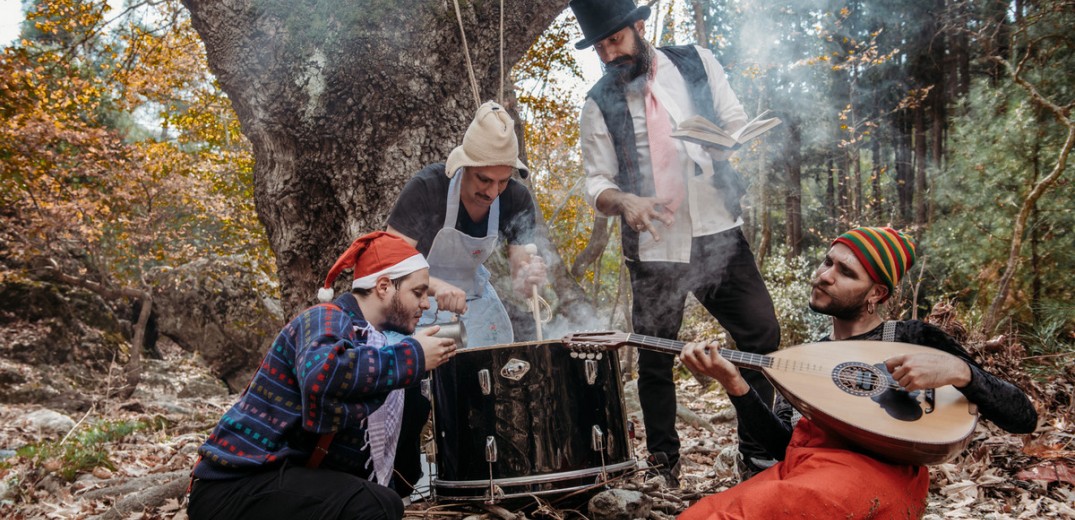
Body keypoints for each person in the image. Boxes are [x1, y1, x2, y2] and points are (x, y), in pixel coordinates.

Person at [678, 226, 1039, 519]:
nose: (824, 276)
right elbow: (784, 446)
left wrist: (961, 371)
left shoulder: (913, 338)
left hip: (879, 479)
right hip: (806, 472)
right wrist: (735, 384)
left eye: (845, 272)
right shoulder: (807, 358)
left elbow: (1023, 417)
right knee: (701, 514)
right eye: (827, 262)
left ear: (876, 293)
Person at [569, 0, 782, 484]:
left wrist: (724, 141)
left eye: (615, 40)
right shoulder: (598, 102)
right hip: (655, 244)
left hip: (717, 230)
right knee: (654, 357)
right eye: (600, 46)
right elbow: (596, 183)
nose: (609, 53)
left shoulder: (697, 62)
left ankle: (754, 449)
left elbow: (733, 117)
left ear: (639, 27)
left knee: (761, 334)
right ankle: (664, 464)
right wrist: (625, 201)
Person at [186, 231, 459, 520]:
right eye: (417, 293)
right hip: (233, 486)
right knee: (378, 506)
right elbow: (323, 376)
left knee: (383, 500)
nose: (426, 304)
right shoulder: (326, 318)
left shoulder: (375, 346)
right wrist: (413, 356)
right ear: (383, 286)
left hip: (277, 481)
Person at [383, 100, 547, 496]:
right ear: (465, 167)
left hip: (475, 297)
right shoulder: (428, 188)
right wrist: (435, 287)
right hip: (416, 299)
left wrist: (530, 277)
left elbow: (522, 269)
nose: (492, 192)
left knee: (492, 383)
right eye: (484, 180)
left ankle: (481, 472)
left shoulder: (515, 199)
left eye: (502, 181)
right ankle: (403, 480)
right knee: (410, 392)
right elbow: (390, 259)